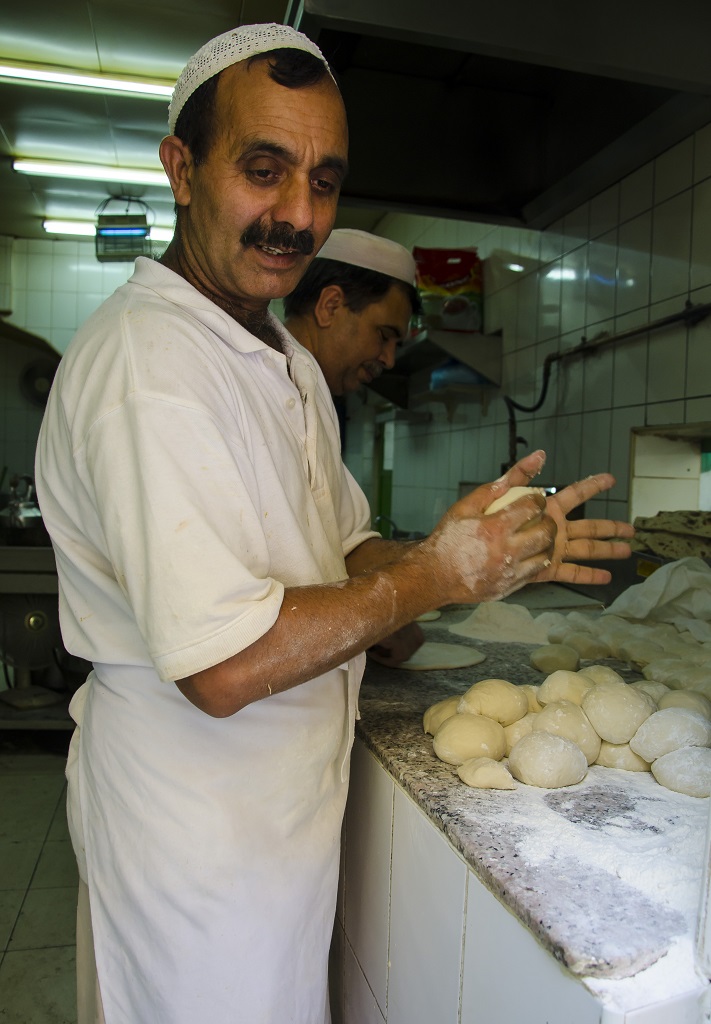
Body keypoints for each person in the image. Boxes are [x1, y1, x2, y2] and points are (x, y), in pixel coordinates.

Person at [34, 21, 634, 1024]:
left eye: (322, 181)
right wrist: (432, 580)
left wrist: (484, 553)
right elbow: (220, 665)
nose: (296, 215)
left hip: (274, 817)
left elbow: (346, 551)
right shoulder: (152, 366)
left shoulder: (277, 357)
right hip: (191, 831)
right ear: (182, 168)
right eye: (263, 170)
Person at [283, 227, 420, 395]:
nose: (389, 360)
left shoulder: (315, 395)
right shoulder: (252, 386)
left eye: (396, 345)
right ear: (330, 306)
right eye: (384, 335)